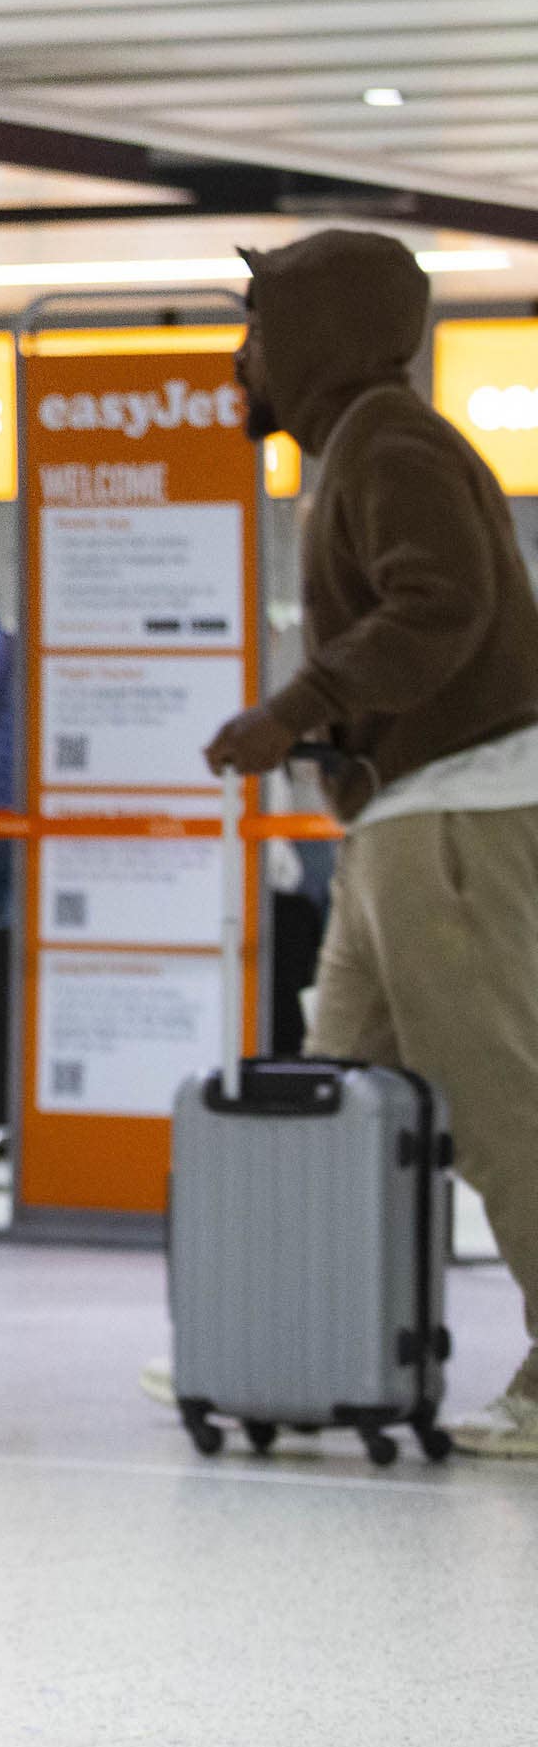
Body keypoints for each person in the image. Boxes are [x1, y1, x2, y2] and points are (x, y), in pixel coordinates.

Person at [205, 228, 538, 1461]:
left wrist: (288, 712)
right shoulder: (360, 444)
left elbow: (434, 609)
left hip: (453, 812)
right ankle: (282, 1338)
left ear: (317, 337)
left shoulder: (389, 442)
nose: (245, 358)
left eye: (260, 330)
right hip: (405, 813)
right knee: (328, 1084)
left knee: (497, 1094)